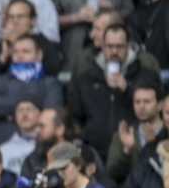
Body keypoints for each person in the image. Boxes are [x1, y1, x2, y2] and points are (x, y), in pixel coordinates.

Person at [68, 25, 163, 155]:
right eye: (110, 46)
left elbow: (157, 110)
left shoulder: (146, 75)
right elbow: (75, 117)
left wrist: (128, 89)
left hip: (134, 151)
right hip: (93, 152)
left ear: (129, 46)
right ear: (102, 46)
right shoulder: (86, 79)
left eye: (119, 46)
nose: (114, 51)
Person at [0, 35, 65, 143]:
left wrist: (11, 115)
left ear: (39, 55)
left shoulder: (50, 83)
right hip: (5, 142)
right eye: (16, 52)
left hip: (41, 142)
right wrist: (33, 108)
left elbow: (52, 110)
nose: (20, 56)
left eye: (26, 51)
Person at [106, 82, 165, 184]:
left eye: (147, 101)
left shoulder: (166, 132)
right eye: (137, 102)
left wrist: (153, 144)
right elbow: (111, 173)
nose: (141, 106)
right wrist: (127, 151)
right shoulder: (123, 133)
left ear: (160, 105)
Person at [0, 96, 43, 176]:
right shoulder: (3, 150)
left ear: (39, 113)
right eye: (20, 110)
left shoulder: (48, 145)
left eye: (29, 109)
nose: (24, 114)